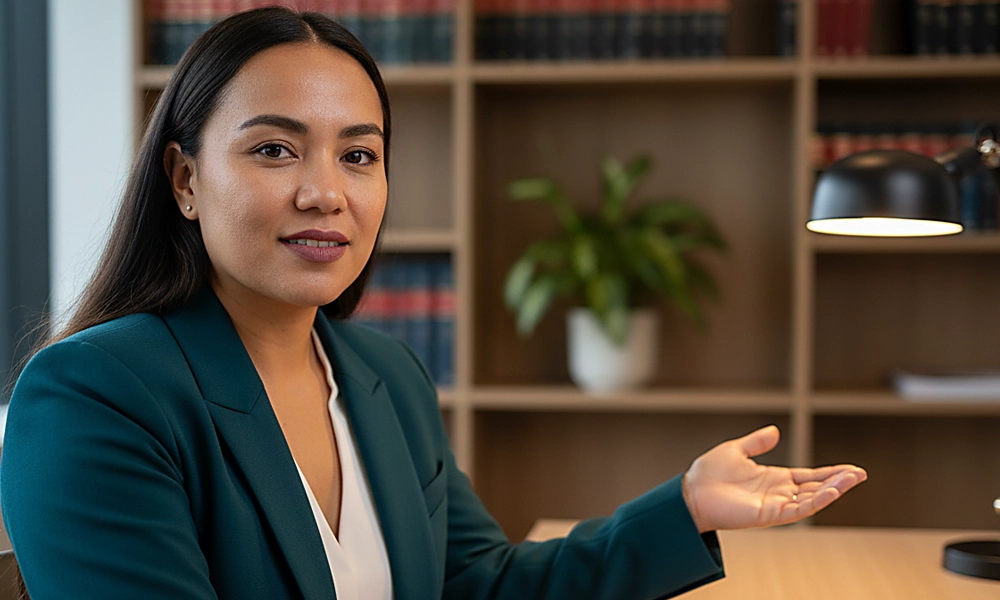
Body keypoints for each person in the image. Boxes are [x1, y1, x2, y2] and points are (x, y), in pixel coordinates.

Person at [0, 7, 867, 600]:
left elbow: (478, 584)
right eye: (274, 150)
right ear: (186, 179)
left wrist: (685, 508)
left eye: (359, 156)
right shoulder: (94, 396)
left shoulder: (385, 375)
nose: (325, 193)